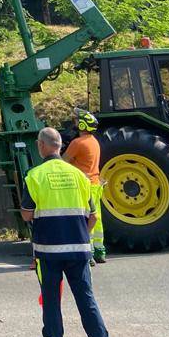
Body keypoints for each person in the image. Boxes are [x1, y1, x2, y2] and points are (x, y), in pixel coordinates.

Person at [20, 127, 111, 337]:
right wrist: (79, 233)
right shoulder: (80, 176)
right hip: (79, 250)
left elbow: (27, 214)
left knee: (51, 303)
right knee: (87, 301)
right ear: (60, 146)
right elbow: (92, 216)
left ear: (41, 146)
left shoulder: (35, 176)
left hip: (48, 253)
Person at [64, 108, 106, 264]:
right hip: (95, 184)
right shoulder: (94, 142)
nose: (74, 122)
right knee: (97, 218)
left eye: (76, 120)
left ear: (82, 125)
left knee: (85, 219)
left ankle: (87, 253)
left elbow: (62, 162)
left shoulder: (77, 143)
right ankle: (99, 251)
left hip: (83, 185)